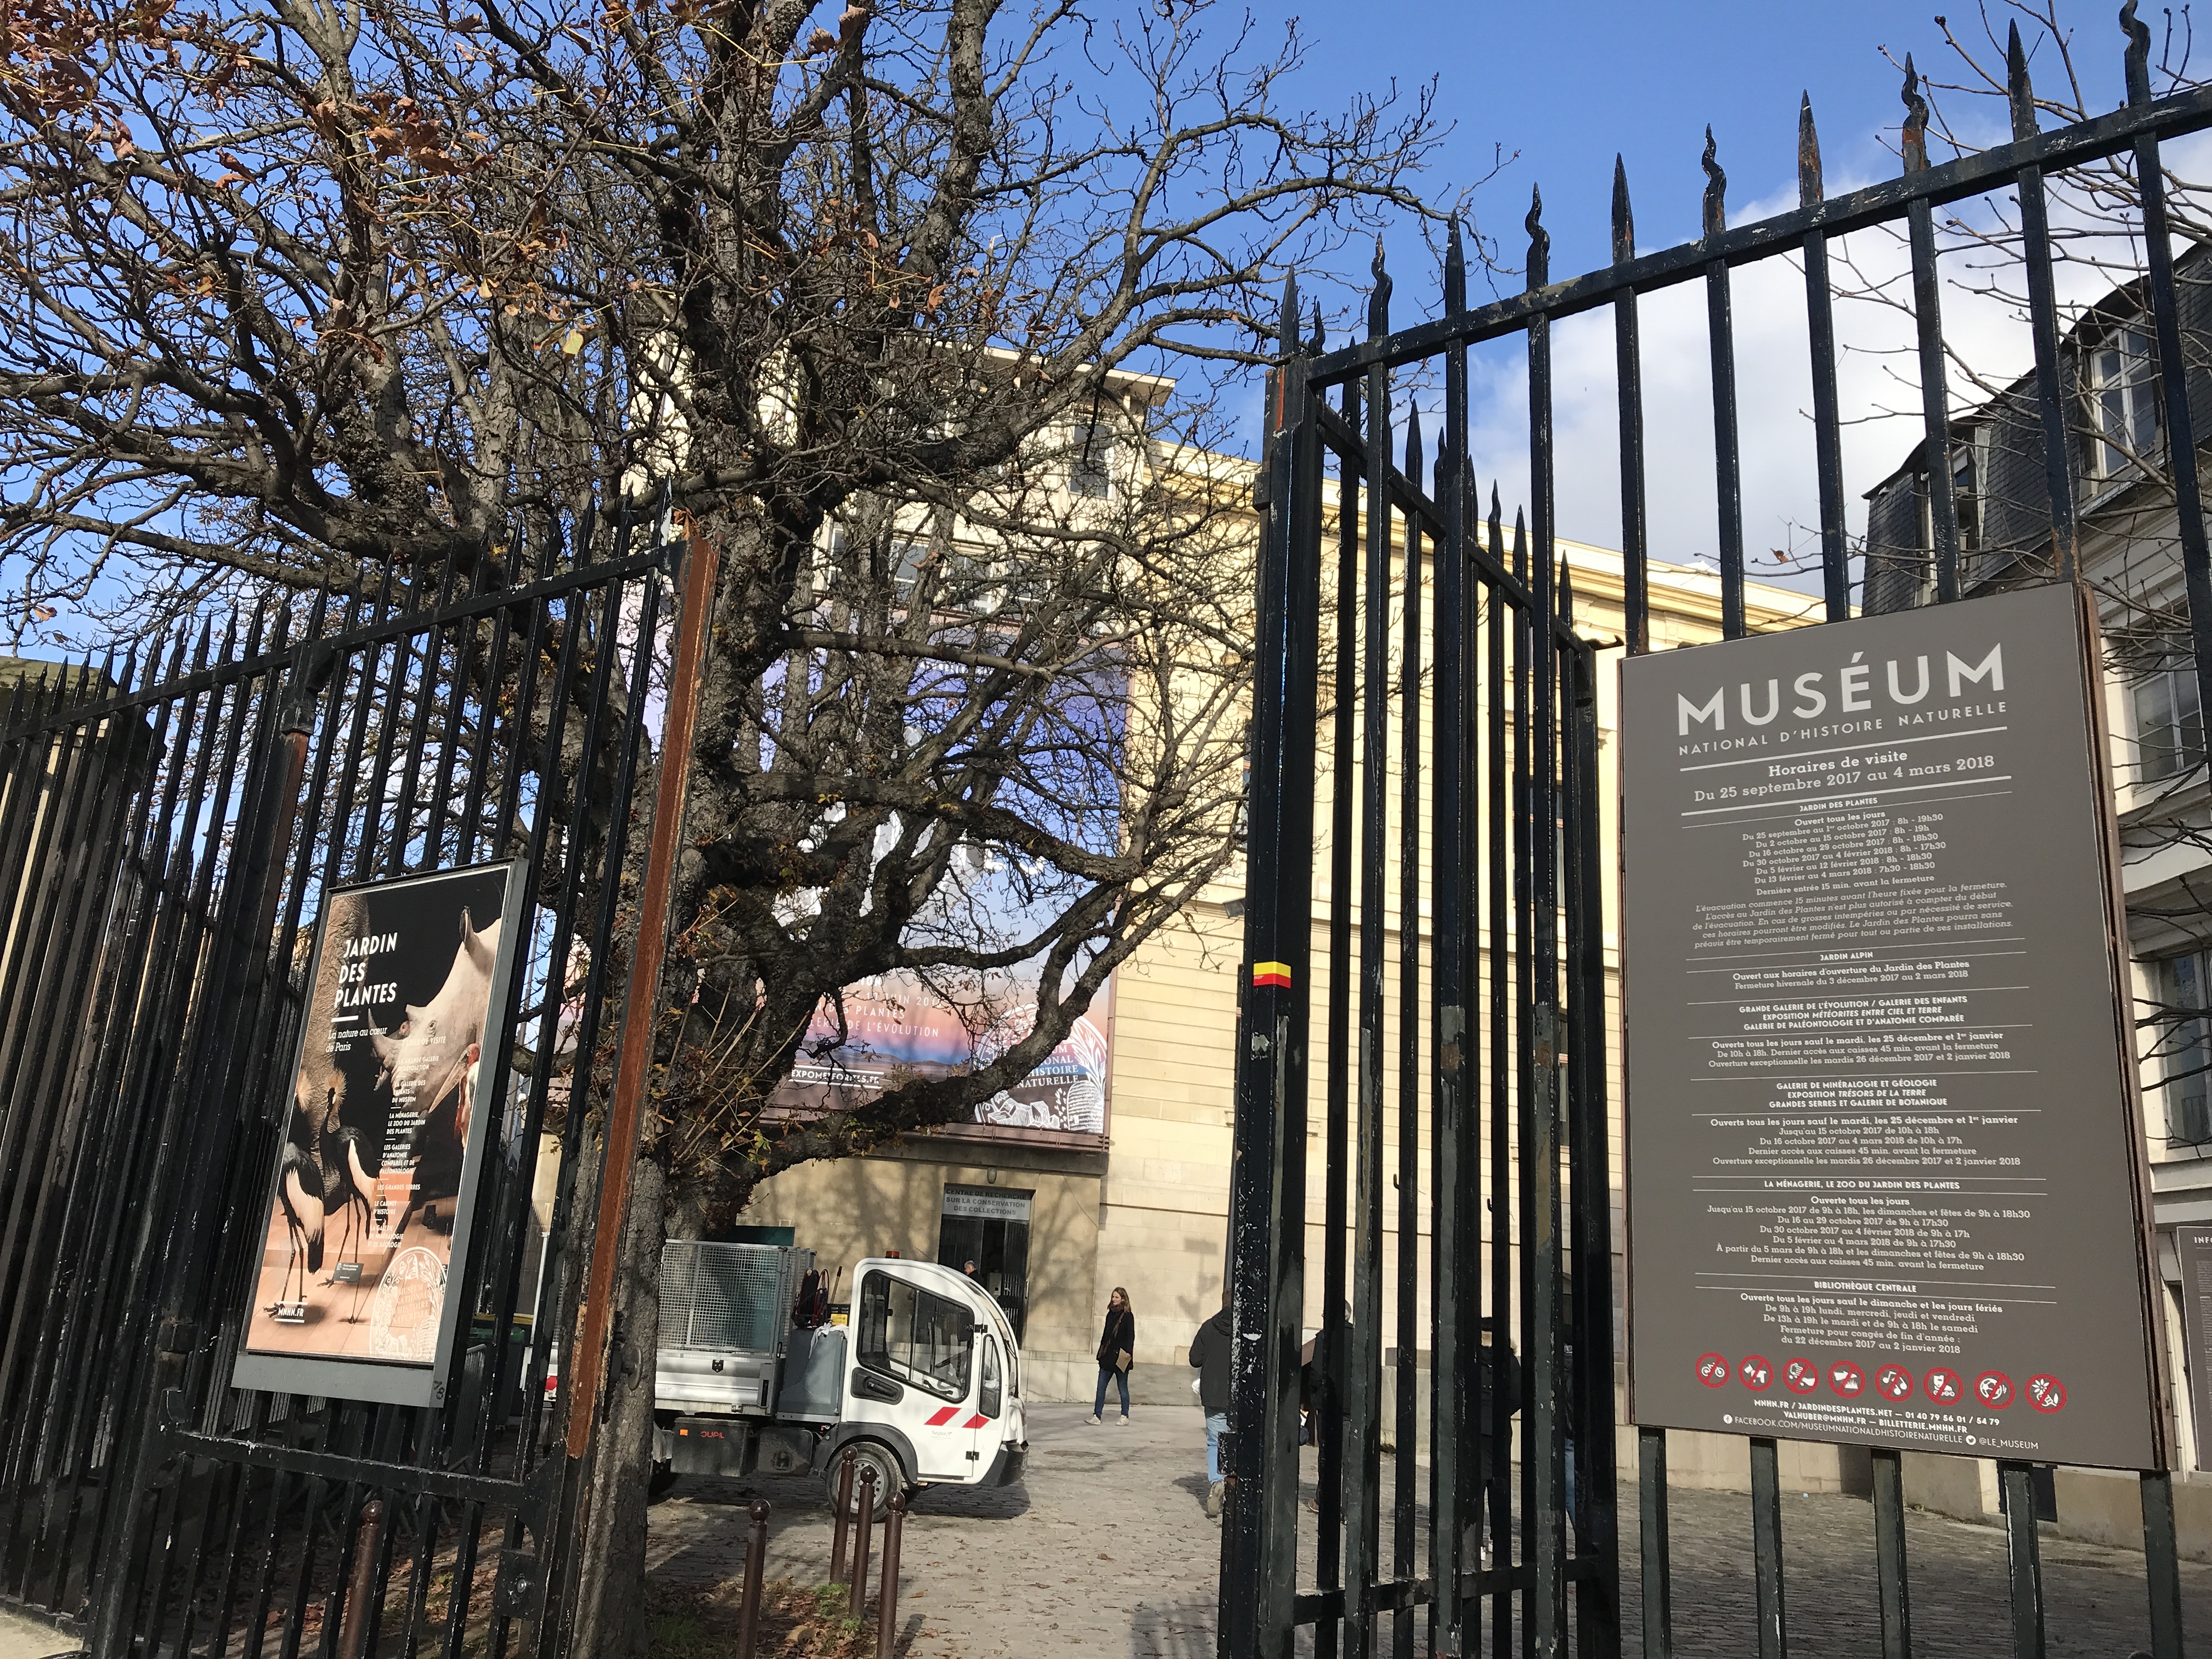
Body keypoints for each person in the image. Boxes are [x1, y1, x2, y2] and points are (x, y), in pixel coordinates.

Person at [1188, 1289, 1233, 1519]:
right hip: (1240, 1396)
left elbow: (1194, 1358)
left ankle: (1217, 1481)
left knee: (1214, 1441)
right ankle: (1235, 1484)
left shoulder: (1208, 1327)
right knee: (1241, 1442)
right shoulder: (1247, 1329)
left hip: (1214, 1394)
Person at [1088, 1286, 1136, 1425]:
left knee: (1122, 1387)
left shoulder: (1128, 1316)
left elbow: (1130, 1337)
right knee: (1101, 1387)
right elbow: (1105, 1336)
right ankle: (1097, 1415)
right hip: (1108, 1357)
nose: (1114, 1300)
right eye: (1113, 1297)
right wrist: (1101, 1353)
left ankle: (1124, 1416)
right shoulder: (1110, 1314)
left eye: (1117, 1297)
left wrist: (1129, 1353)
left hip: (1121, 1356)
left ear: (1123, 1299)